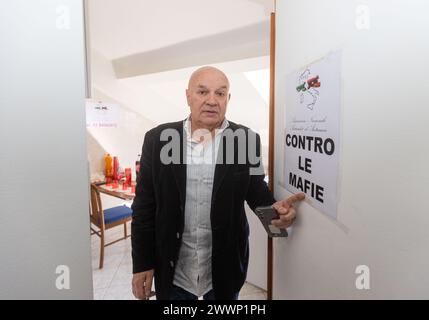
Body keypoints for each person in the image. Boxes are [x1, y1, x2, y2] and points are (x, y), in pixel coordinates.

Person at [131, 66, 305, 300]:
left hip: (223, 271)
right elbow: (144, 206)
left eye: (220, 93)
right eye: (202, 92)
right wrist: (142, 263)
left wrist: (276, 213)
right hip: (174, 272)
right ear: (188, 96)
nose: (212, 100)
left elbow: (255, 191)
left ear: (228, 99)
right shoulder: (158, 139)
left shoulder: (246, 140)